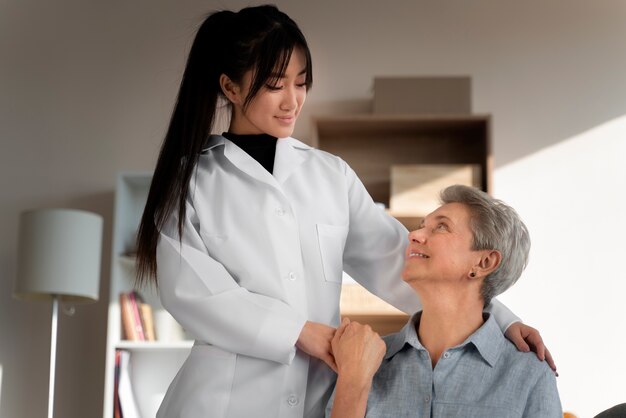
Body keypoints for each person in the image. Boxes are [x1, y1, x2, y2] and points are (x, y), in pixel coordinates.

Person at [134, 5, 553, 418]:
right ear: (231, 87)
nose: (292, 101)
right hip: (220, 402)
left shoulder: (329, 175)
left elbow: (401, 260)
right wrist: (301, 333)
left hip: (318, 398)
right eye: (275, 84)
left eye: (302, 83)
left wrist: (499, 318)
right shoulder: (190, 180)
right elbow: (195, 295)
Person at [327, 185, 562, 418]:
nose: (413, 235)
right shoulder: (362, 363)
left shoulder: (529, 374)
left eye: (441, 227)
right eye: (421, 227)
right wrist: (353, 382)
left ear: (484, 263)